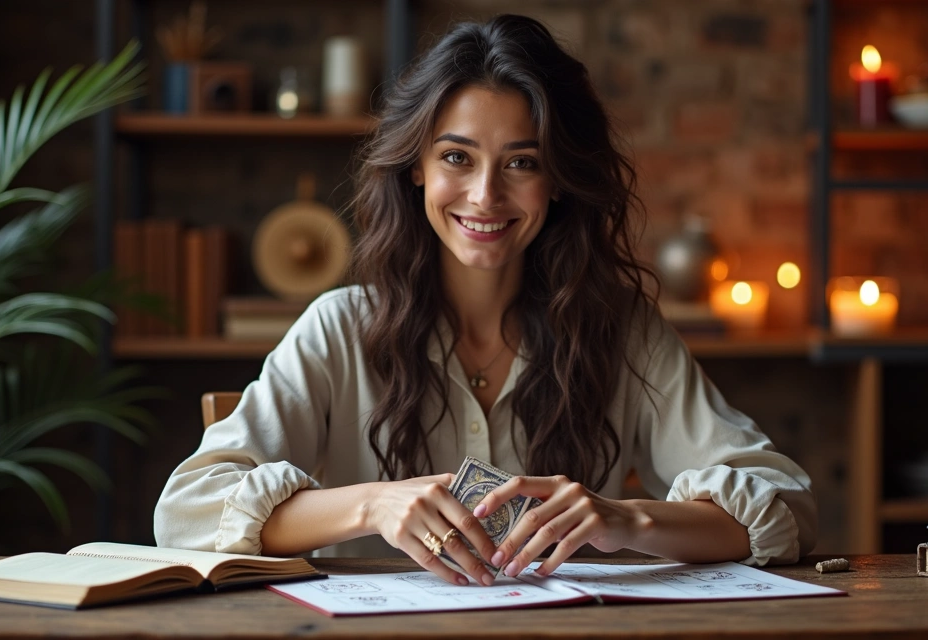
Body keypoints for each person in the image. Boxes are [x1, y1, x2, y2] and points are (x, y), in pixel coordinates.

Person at [154, 14, 815, 588]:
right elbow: (186, 512)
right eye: (457, 158)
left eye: (521, 163)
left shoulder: (619, 329)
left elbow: (785, 505)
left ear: (557, 179)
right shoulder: (339, 329)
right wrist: (373, 506)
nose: (485, 197)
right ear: (417, 167)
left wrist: (625, 518)